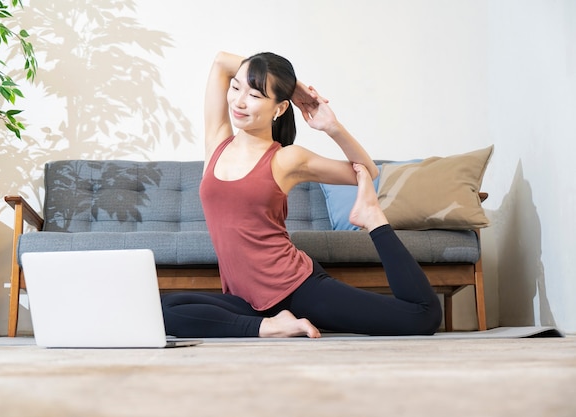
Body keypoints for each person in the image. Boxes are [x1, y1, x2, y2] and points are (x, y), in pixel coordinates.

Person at [161, 51, 442, 338]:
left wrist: (332, 127)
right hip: (248, 301)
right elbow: (221, 61)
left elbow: (366, 171)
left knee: (422, 316)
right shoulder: (217, 141)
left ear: (279, 109)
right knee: (162, 311)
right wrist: (295, 87)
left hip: (296, 289)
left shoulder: (286, 159)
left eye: (256, 95)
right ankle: (268, 326)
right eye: (236, 88)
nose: (239, 101)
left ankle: (373, 218)